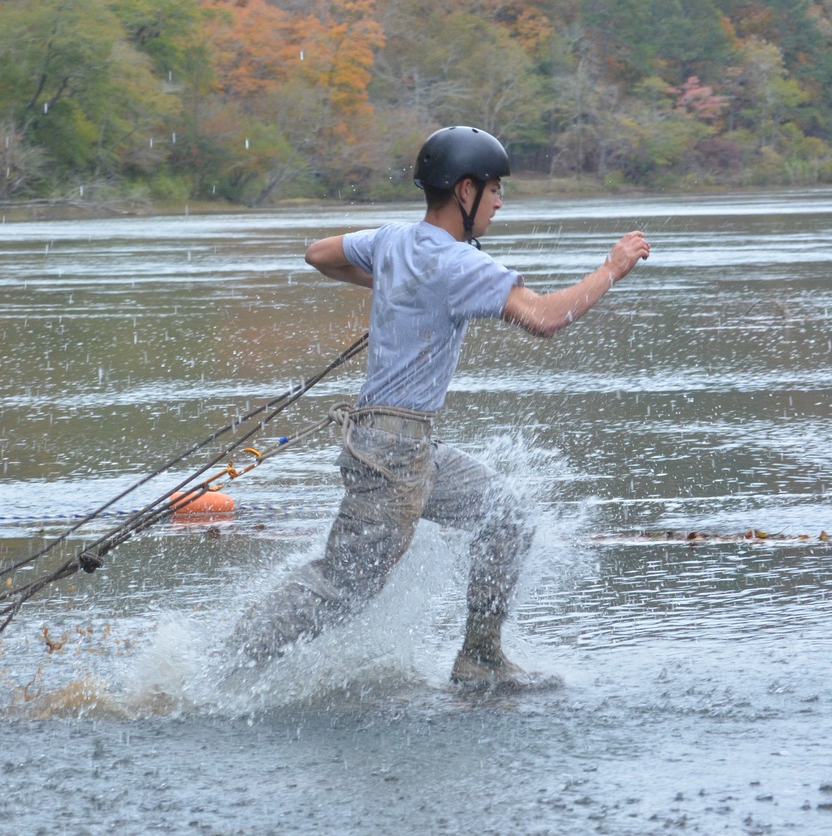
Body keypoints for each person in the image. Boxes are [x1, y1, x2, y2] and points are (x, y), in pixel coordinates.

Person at [235, 125, 650, 692]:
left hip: (405, 444)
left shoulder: (393, 242)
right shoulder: (459, 266)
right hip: (393, 454)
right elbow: (547, 318)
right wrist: (612, 268)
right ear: (464, 191)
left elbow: (318, 255)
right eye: (495, 189)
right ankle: (221, 668)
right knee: (341, 586)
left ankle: (480, 657)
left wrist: (398, 287)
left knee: (506, 517)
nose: (500, 202)